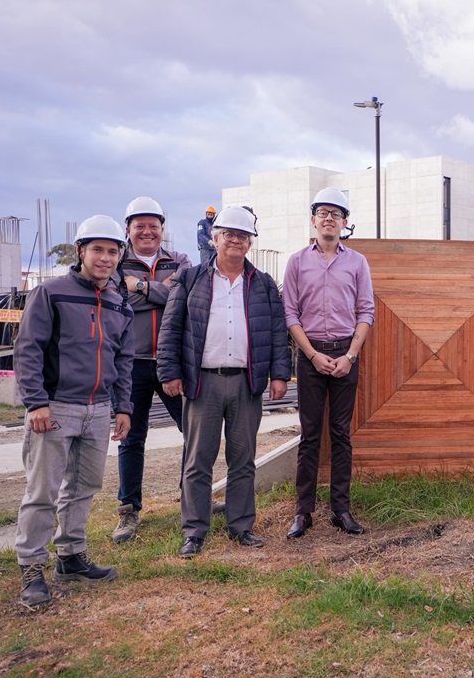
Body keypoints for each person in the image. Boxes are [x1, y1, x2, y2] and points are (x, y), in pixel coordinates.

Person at [14, 215, 134, 608]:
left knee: (84, 488)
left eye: (113, 251)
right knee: (42, 492)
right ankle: (32, 566)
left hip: (98, 410)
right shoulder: (51, 293)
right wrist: (36, 402)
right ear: (81, 251)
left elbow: (123, 360)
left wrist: (123, 407)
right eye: (97, 249)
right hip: (56, 407)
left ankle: (70, 556)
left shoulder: (119, 303)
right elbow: (28, 349)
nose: (105, 258)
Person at [157, 205, 291, 558]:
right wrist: (169, 372)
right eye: (229, 234)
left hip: (246, 383)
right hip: (203, 383)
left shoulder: (262, 284)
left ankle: (241, 526)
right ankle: (194, 531)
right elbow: (170, 328)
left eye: (243, 236)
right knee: (198, 460)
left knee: (243, 458)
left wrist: (279, 374)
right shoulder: (191, 279)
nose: (236, 240)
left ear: (250, 243)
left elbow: (277, 332)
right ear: (214, 239)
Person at [283, 188, 375, 539]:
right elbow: (290, 314)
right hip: (311, 357)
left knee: (340, 434)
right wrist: (311, 354)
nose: (329, 219)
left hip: (345, 356)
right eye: (323, 212)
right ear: (313, 219)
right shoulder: (297, 262)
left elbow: (366, 311)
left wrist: (350, 356)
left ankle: (341, 510)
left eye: (336, 214)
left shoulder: (357, 263)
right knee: (309, 436)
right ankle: (303, 512)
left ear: (345, 222)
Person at [112, 196, 192, 543]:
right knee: (131, 438)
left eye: (153, 226)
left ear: (162, 228)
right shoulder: (116, 262)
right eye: (139, 226)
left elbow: (182, 299)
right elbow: (119, 302)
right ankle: (129, 509)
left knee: (194, 431)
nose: (147, 232)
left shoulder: (181, 261)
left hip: (172, 362)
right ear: (128, 229)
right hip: (130, 364)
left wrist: (140, 286)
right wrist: (164, 290)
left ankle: (193, 498)